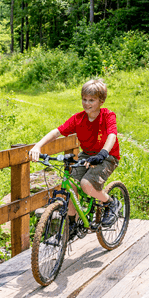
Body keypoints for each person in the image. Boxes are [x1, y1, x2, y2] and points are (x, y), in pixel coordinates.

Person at [29, 79, 121, 226]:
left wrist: (103, 153)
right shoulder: (78, 119)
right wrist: (37, 146)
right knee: (70, 185)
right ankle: (73, 223)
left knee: (86, 184)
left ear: (101, 101)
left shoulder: (108, 116)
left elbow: (112, 135)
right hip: (87, 155)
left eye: (92, 100)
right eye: (84, 99)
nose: (87, 103)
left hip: (107, 156)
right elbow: (57, 132)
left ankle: (111, 204)